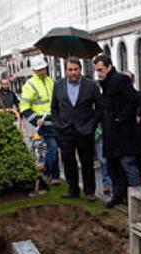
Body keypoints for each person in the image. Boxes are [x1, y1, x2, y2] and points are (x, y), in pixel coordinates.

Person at [52, 57, 102, 200]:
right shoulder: (58, 85)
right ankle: (73, 190)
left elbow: (99, 107)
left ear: (80, 69)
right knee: (68, 162)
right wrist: (57, 124)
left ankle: (90, 192)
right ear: (66, 71)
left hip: (85, 130)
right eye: (70, 70)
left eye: (76, 69)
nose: (73, 73)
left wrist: (92, 125)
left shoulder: (91, 85)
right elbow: (54, 107)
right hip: (65, 130)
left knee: (87, 162)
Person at [94, 54, 140, 208]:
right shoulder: (105, 84)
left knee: (128, 166)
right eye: (96, 70)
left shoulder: (120, 79)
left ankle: (137, 198)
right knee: (114, 167)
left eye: (100, 70)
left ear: (109, 67)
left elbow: (133, 100)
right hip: (110, 135)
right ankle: (118, 195)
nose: (98, 73)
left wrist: (120, 119)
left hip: (123, 134)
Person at [20, 57, 60, 183]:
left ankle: (54, 176)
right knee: (52, 148)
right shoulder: (30, 85)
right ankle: (47, 171)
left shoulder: (51, 81)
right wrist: (36, 119)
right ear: (34, 71)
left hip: (55, 121)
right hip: (43, 123)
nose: (42, 72)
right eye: (39, 70)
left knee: (54, 149)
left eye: (43, 69)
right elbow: (24, 107)